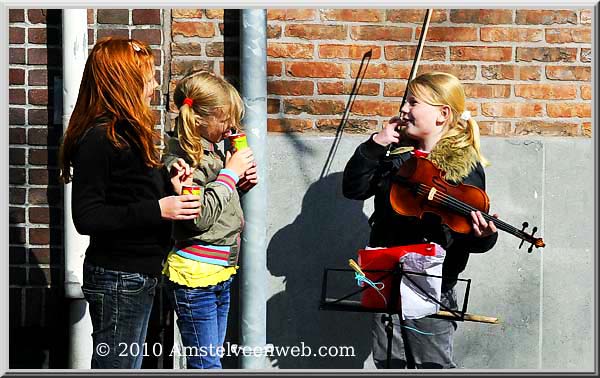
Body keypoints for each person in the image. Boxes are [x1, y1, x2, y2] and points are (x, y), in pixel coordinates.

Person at [59, 37, 202, 369]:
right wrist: (159, 209)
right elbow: (87, 216)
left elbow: (129, 192)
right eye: (148, 76)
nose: (154, 85)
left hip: (137, 275)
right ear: (126, 81)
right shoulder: (99, 138)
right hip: (119, 277)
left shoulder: (129, 133)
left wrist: (170, 185)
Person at [342, 71, 499, 369]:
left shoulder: (463, 169)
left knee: (431, 365)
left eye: (413, 103)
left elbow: (464, 231)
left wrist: (482, 235)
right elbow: (354, 189)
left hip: (431, 286)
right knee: (390, 362)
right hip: (387, 277)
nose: (404, 109)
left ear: (442, 114)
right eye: (406, 102)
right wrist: (376, 145)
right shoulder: (395, 157)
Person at [161, 70, 258, 369]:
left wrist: (239, 182)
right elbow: (199, 218)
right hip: (195, 275)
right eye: (225, 118)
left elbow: (216, 204)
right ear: (201, 119)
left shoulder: (213, 153)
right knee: (206, 365)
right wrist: (230, 174)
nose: (231, 126)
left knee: (212, 360)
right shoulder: (185, 159)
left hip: (219, 271)